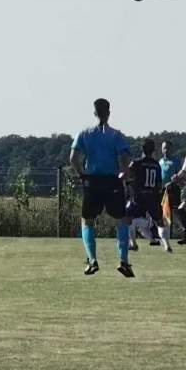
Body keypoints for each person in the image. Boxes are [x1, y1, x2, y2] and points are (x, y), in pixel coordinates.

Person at [69, 97, 134, 278]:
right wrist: (124, 175)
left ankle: (92, 260)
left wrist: (82, 174)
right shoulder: (116, 135)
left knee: (87, 220)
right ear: (109, 113)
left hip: (93, 181)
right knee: (121, 219)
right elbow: (125, 160)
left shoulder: (84, 134)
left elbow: (73, 158)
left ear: (94, 113)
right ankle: (123, 261)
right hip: (112, 181)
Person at [126, 138, 171, 254]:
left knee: (128, 217)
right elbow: (159, 184)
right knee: (159, 221)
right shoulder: (156, 164)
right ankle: (167, 245)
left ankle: (133, 244)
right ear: (153, 150)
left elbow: (127, 175)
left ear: (142, 149)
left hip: (139, 197)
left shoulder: (136, 163)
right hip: (153, 197)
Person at [157, 139, 186, 246]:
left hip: (173, 189)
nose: (166, 150)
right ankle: (165, 236)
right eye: (164, 148)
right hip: (162, 190)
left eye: (168, 148)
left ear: (172, 149)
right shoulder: (160, 161)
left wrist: (172, 183)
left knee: (176, 212)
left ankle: (185, 233)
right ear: (162, 149)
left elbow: (181, 176)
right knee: (164, 213)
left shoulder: (176, 161)